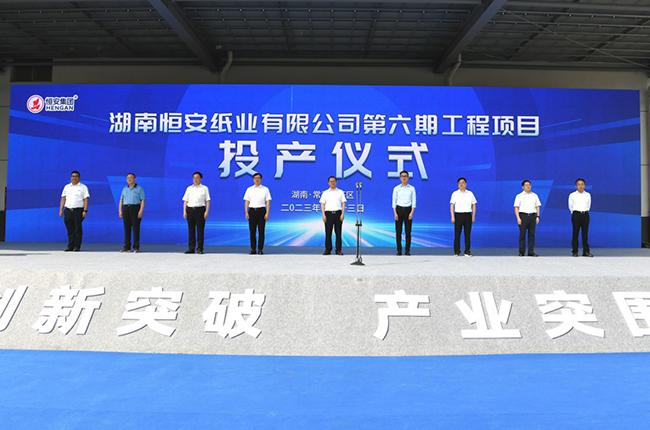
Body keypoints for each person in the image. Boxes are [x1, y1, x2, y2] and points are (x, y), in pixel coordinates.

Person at [59, 170, 89, 252]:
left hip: (78, 210)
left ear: (79, 178)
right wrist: (61, 209)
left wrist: (85, 210)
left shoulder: (83, 187)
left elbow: (86, 199)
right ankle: (70, 246)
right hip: (68, 210)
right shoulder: (67, 187)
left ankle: (77, 246)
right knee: (70, 229)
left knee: (77, 229)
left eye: (76, 176)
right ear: (70, 177)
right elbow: (63, 198)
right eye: (73, 176)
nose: (74, 178)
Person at [182, 172, 210, 254]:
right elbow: (185, 201)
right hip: (190, 210)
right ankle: (191, 248)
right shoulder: (189, 188)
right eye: (194, 178)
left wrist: (206, 211)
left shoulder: (204, 188)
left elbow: (207, 201)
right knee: (191, 230)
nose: (195, 179)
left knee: (200, 230)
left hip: (200, 210)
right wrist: (184, 211)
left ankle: (200, 248)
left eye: (197, 177)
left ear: (201, 179)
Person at [244, 172, 272, 255]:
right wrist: (246, 212)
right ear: (253, 179)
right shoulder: (249, 189)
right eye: (255, 178)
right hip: (252, 211)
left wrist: (267, 213)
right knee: (252, 231)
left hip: (261, 211)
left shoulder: (265, 189)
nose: (257, 179)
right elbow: (247, 201)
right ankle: (253, 249)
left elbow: (268, 201)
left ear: (261, 179)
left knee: (261, 231)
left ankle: (260, 249)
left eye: (258, 178)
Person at [119, 173, 145, 253]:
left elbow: (143, 200)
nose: (129, 179)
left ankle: (136, 247)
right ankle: (127, 246)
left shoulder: (139, 189)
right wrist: (120, 210)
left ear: (135, 179)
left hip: (135, 208)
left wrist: (141, 210)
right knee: (127, 228)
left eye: (131, 178)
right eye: (128, 178)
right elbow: (121, 200)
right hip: (126, 208)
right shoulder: (124, 189)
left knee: (136, 228)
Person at [450, 177, 477, 257]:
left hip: (468, 215)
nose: (461, 184)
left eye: (463, 183)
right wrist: (452, 216)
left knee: (467, 234)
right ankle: (457, 251)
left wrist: (473, 216)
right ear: (458, 185)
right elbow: (452, 205)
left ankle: (467, 251)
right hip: (458, 215)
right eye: (459, 183)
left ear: (466, 184)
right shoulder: (455, 194)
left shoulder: (470, 194)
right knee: (457, 234)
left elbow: (474, 205)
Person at [514, 180, 542, 257]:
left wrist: (538, 216)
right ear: (523, 187)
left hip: (532, 216)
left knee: (531, 235)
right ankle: (521, 252)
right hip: (523, 216)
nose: (528, 186)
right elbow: (516, 208)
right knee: (522, 235)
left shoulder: (535, 196)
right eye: (526, 185)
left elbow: (537, 207)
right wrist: (518, 218)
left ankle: (531, 252)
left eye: (529, 185)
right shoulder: (519, 196)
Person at [320, 176, 346, 255]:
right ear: (328, 183)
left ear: (336, 182)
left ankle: (338, 250)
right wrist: (323, 215)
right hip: (328, 214)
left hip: (338, 213)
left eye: (334, 181)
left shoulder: (340, 192)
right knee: (328, 233)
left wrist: (342, 214)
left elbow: (343, 203)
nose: (332, 183)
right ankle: (328, 249)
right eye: (331, 181)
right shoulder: (325, 193)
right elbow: (322, 204)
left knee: (338, 233)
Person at [392, 170, 416, 256]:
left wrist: (411, 213)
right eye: (402, 176)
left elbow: (414, 202)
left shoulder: (412, 188)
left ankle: (407, 250)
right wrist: (395, 213)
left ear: (408, 177)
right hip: (399, 210)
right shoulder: (396, 188)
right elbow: (394, 202)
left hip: (408, 210)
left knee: (408, 232)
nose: (404, 178)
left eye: (405, 176)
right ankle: (399, 250)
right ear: (400, 178)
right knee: (398, 232)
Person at [569, 178, 592, 257]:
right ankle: (575, 251)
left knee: (585, 234)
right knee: (575, 233)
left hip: (585, 214)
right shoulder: (572, 195)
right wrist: (576, 213)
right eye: (578, 184)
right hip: (576, 214)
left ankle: (586, 251)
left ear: (584, 185)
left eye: (582, 184)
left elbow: (588, 206)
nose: (580, 186)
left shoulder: (588, 195)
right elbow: (570, 206)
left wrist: (584, 211)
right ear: (576, 186)